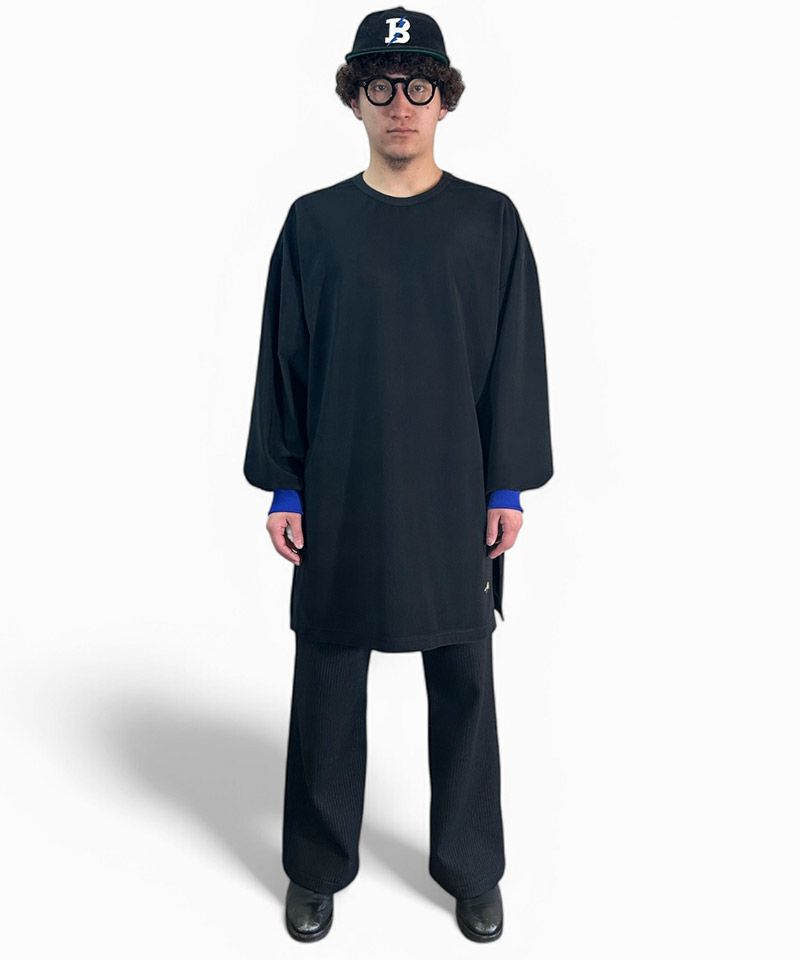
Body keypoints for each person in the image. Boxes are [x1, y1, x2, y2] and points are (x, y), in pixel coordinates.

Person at [243, 5, 553, 942]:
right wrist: (286, 484)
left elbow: (514, 362)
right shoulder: (315, 225)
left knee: (464, 684)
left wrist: (505, 486)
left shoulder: (489, 223)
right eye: (381, 85)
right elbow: (285, 361)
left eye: (420, 85)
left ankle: (471, 867)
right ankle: (316, 866)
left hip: (453, 493)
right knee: (328, 683)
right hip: (341, 488)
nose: (401, 104)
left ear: (445, 99)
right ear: (355, 100)